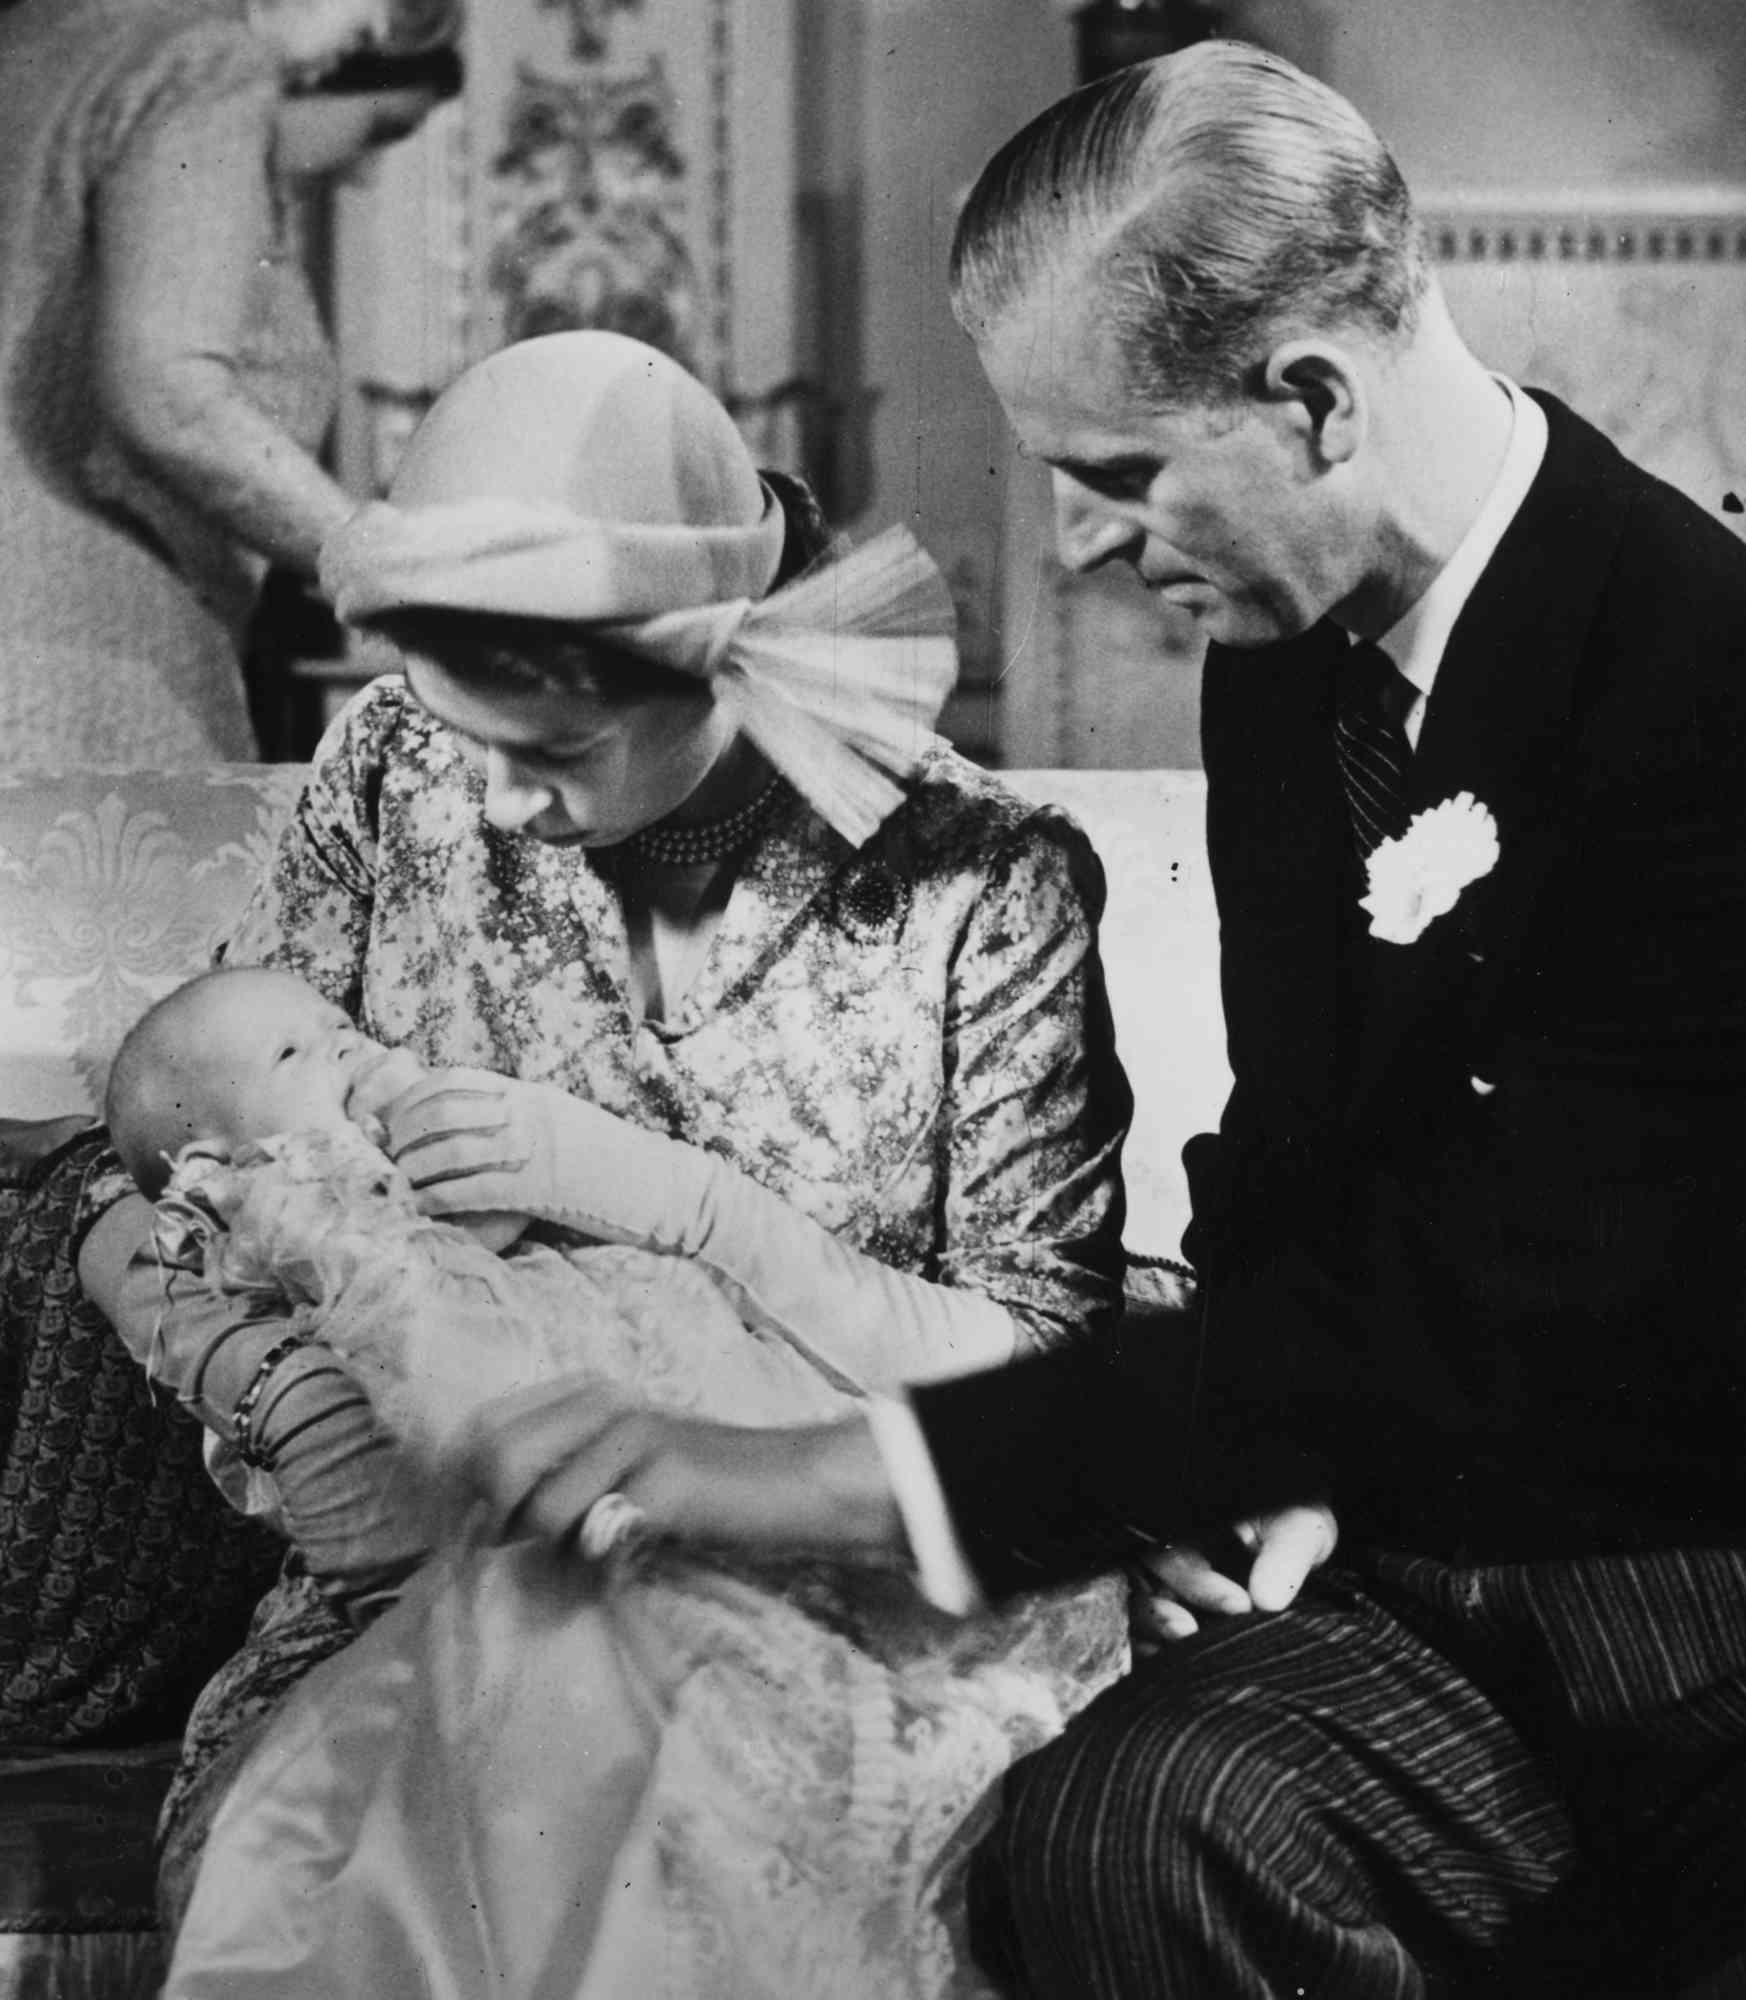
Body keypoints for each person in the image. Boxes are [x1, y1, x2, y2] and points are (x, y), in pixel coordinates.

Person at [453, 42, 1746, 2000]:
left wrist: (833, 1475)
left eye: (1118, 476)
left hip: (1699, 1619)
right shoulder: (1278, 660)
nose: (1071, 547)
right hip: (1420, 1572)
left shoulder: (1698, 678)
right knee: (1110, 1839)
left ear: (1312, 397)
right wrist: (1264, 1482)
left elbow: (1491, 1300)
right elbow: (1299, 1166)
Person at [75, 328, 1134, 1972]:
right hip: (441, 1579)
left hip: (843, 1598)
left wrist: (680, 1202)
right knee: (325, 1850)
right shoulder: (398, 765)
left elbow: (1048, 1393)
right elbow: (177, 1149)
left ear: (706, 677)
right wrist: (263, 1379)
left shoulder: (975, 892)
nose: (489, 805)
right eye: (454, 732)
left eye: (553, 756)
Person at [0, 0, 461, 768]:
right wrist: (402, 570)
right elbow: (170, 396)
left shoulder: (39, 33)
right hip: (79, 660)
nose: (374, 36)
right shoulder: (201, 62)